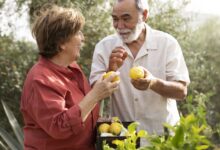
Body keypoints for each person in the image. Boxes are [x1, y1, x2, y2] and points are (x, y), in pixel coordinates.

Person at [20, 5, 119, 150]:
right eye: (78, 33)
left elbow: (82, 104)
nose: (83, 38)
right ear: (61, 43)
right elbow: (60, 127)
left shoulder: (72, 68)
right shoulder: (40, 79)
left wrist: (110, 72)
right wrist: (95, 95)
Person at [90, 0, 190, 137]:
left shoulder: (167, 44)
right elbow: (94, 95)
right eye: (115, 19)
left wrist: (152, 83)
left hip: (164, 139)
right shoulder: (104, 47)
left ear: (144, 15)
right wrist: (110, 71)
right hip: (124, 139)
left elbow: (181, 91)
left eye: (126, 18)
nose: (119, 26)